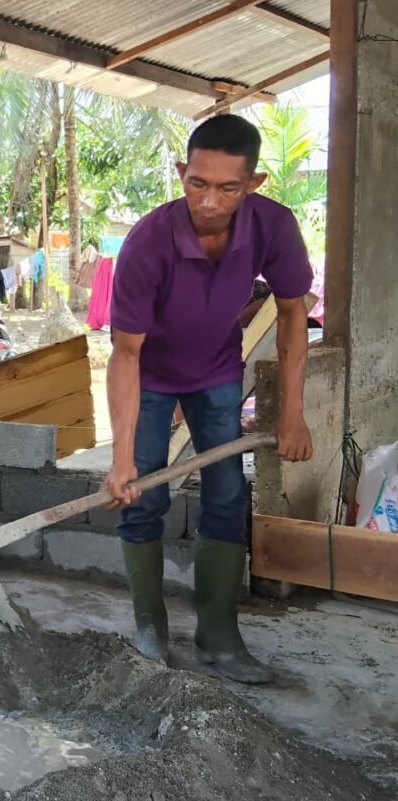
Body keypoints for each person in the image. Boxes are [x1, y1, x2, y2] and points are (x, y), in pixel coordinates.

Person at [106, 114, 313, 685]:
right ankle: (150, 628)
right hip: (149, 378)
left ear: (254, 184)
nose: (210, 200)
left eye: (227, 188)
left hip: (217, 371)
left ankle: (219, 636)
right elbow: (124, 355)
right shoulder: (148, 242)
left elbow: (295, 313)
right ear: (181, 173)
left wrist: (293, 414)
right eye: (197, 183)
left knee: (227, 492)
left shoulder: (273, 226)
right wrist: (120, 457)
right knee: (142, 492)